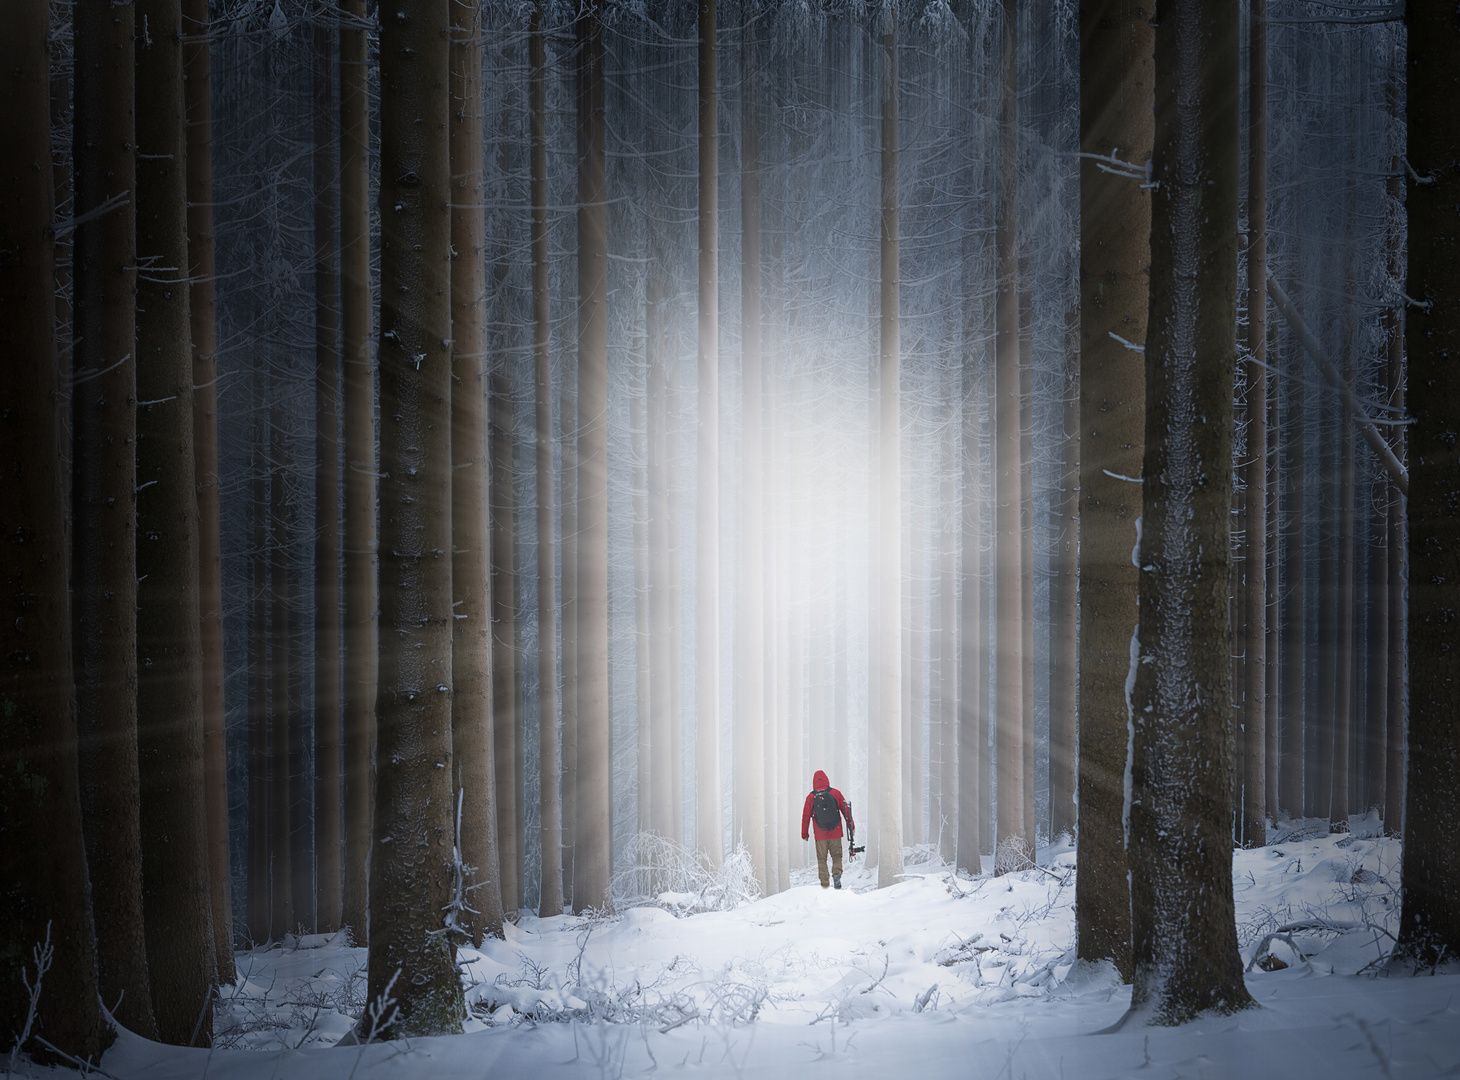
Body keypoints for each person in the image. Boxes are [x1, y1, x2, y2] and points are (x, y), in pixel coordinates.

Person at [801, 769, 854, 890]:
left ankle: (825, 884)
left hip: (820, 835)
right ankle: (836, 874)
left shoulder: (811, 797)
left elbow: (805, 817)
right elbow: (846, 811)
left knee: (822, 859)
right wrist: (852, 827)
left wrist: (804, 833)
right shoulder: (836, 793)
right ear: (826, 779)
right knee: (836, 856)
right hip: (835, 832)